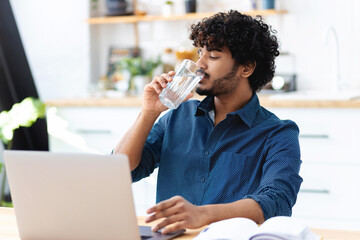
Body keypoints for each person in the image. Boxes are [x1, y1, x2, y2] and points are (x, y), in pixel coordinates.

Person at [113, 10, 302, 234]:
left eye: (213, 56)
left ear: (246, 68)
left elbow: (277, 201)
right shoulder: (177, 115)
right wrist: (148, 113)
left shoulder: (278, 133)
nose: (199, 64)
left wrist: (202, 214)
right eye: (200, 52)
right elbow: (121, 172)